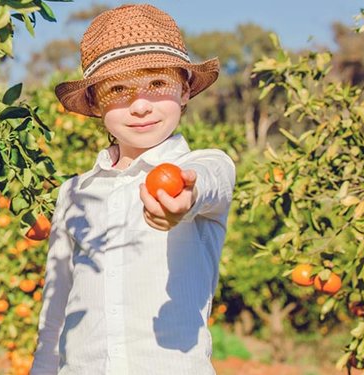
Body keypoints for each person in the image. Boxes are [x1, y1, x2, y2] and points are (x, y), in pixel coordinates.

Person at [30, 4, 236, 374]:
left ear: (186, 90)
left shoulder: (206, 166)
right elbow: (57, 307)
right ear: (94, 103)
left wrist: (183, 199)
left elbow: (208, 182)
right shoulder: (74, 194)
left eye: (158, 84)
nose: (140, 105)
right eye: (118, 90)